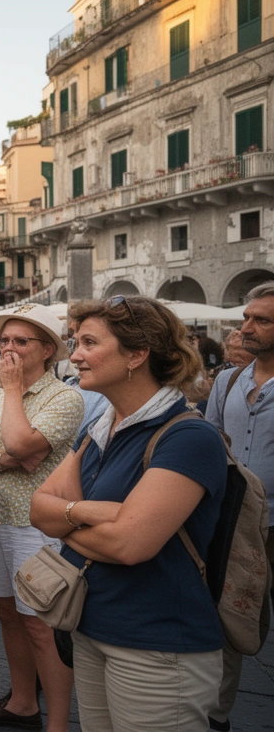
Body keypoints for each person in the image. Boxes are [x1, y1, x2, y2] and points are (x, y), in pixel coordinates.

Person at [31, 295, 227, 732]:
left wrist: (68, 519)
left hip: (158, 644)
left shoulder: (189, 436)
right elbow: (38, 510)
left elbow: (128, 545)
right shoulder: (103, 427)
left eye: (88, 342)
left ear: (137, 355)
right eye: (74, 341)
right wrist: (91, 512)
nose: (75, 355)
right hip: (92, 627)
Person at [0, 305, 83, 732]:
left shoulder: (64, 397)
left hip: (34, 524)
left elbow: (23, 448)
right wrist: (4, 460)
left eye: (21, 341)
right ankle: (21, 702)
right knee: (5, 612)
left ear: (48, 350)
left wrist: (13, 391)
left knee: (40, 624)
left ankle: (57, 722)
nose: (8, 349)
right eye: (5, 341)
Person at [204, 281, 274, 732]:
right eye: (246, 317)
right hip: (232, 527)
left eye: (261, 320)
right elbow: (209, 445)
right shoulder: (228, 379)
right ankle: (216, 717)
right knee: (227, 622)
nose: (246, 327)